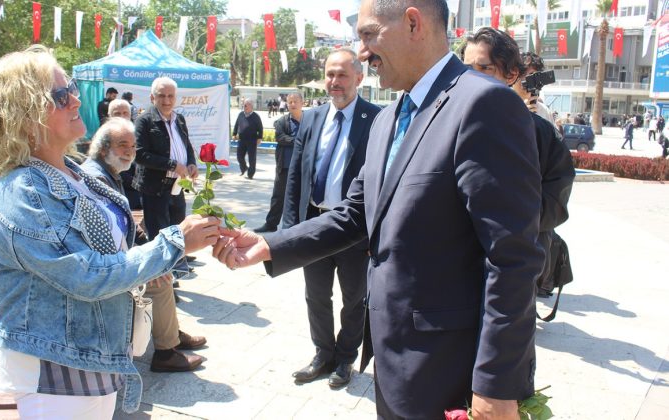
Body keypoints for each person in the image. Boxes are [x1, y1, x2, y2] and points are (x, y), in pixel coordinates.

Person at [213, 1, 544, 418]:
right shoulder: (388, 119)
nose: (363, 52)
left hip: (448, 369)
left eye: (369, 34)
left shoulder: (485, 104)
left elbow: (513, 257)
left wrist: (496, 385)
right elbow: (356, 213)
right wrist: (268, 244)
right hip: (390, 362)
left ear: (412, 22)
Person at [0, 46, 220, 418]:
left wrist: (146, 264)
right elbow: (87, 275)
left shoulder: (70, 170)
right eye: (60, 95)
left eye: (69, 86)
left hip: (89, 357)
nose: (74, 98)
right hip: (55, 370)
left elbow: (107, 252)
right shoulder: (25, 190)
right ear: (24, 116)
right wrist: (176, 241)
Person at [283, 48, 381, 388]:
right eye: (329, 74)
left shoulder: (377, 120)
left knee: (354, 299)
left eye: (341, 74)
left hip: (354, 230)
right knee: (316, 295)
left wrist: (376, 236)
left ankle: (345, 358)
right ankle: (322, 354)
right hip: (315, 224)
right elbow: (295, 174)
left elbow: (382, 183)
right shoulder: (311, 118)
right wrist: (288, 228)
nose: (334, 82)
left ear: (359, 77)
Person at [82, 118, 206, 373]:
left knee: (162, 269)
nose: (130, 151)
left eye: (133, 145)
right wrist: (148, 263)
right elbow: (107, 241)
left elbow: (126, 224)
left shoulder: (108, 173)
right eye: (122, 145)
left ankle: (170, 332)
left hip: (112, 261)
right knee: (159, 282)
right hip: (102, 271)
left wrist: (149, 249)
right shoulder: (97, 179)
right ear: (104, 148)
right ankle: (165, 352)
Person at [460, 27, 575, 298]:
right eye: (465, 68)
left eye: (484, 68)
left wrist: (513, 227)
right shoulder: (444, 125)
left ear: (510, 74)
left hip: (513, 268)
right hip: (456, 268)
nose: (471, 77)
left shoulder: (539, 131)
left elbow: (557, 198)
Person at [133, 77, 199, 278]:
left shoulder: (179, 119)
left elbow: (187, 146)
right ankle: (162, 283)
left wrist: (191, 163)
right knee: (160, 237)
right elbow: (140, 154)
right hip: (155, 188)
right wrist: (172, 165)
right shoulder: (144, 121)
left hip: (178, 187)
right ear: (153, 97)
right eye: (162, 95)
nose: (167, 100)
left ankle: (174, 275)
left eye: (171, 96)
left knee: (177, 232)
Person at [254, 92, 304, 233]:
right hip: (286, 165)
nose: (292, 104)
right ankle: (271, 224)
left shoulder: (309, 120)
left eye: (295, 101)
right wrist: (298, 141)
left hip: (304, 166)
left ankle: (299, 227)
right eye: (290, 102)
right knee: (279, 196)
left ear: (302, 103)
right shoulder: (283, 121)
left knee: (301, 197)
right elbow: (280, 137)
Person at [515, 52, 554, 125]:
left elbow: (552, 136)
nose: (526, 80)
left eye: (533, 76)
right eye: (524, 74)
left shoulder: (544, 111)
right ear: (513, 75)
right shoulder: (503, 106)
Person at [232, 98, 263, 179]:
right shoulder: (241, 114)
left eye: (246, 105)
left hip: (252, 140)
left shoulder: (256, 116)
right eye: (244, 105)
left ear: (251, 106)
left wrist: (260, 137)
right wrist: (234, 134)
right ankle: (244, 168)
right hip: (242, 139)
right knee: (239, 156)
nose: (244, 106)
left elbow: (260, 128)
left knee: (252, 158)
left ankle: (250, 174)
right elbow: (236, 124)